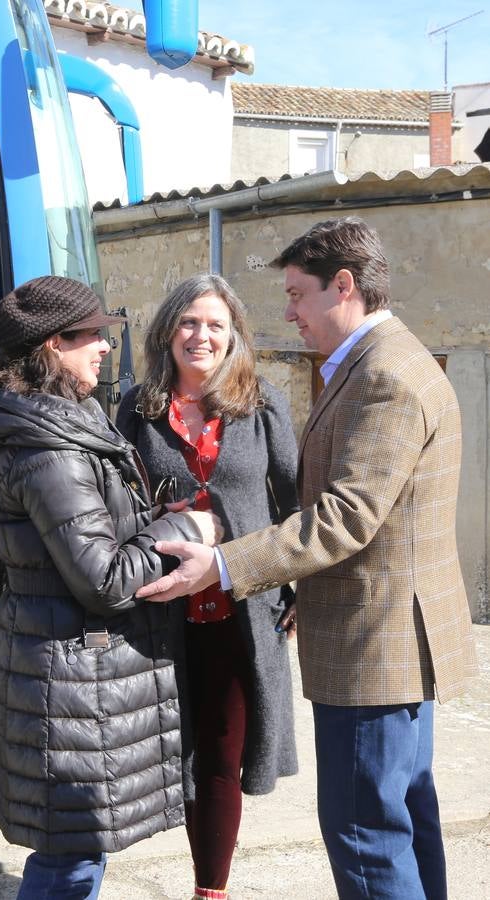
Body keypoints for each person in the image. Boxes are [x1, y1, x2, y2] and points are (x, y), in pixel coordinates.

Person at [137, 218, 479, 899]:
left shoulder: (385, 375)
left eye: (297, 293)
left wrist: (225, 564)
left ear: (343, 286)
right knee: (404, 819)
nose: (287, 310)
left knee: (365, 834)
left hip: (374, 647)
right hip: (390, 643)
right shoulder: (380, 364)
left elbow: (344, 515)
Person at [0, 276, 222, 899]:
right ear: (50, 347)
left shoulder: (63, 423)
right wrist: (187, 525)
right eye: (90, 335)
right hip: (72, 684)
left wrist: (155, 519)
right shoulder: (50, 449)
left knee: (77, 855)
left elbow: (97, 536)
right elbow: (103, 577)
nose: (103, 346)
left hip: (69, 676)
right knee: (70, 863)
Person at [116, 273, 299, 900]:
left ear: (234, 337)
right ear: (168, 331)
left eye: (215, 325)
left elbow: (298, 505)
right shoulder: (135, 409)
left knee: (221, 755)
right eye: (189, 322)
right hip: (160, 614)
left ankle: (209, 889)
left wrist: (294, 587)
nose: (201, 335)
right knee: (170, 753)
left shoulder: (264, 404)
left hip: (240, 612)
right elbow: (112, 507)